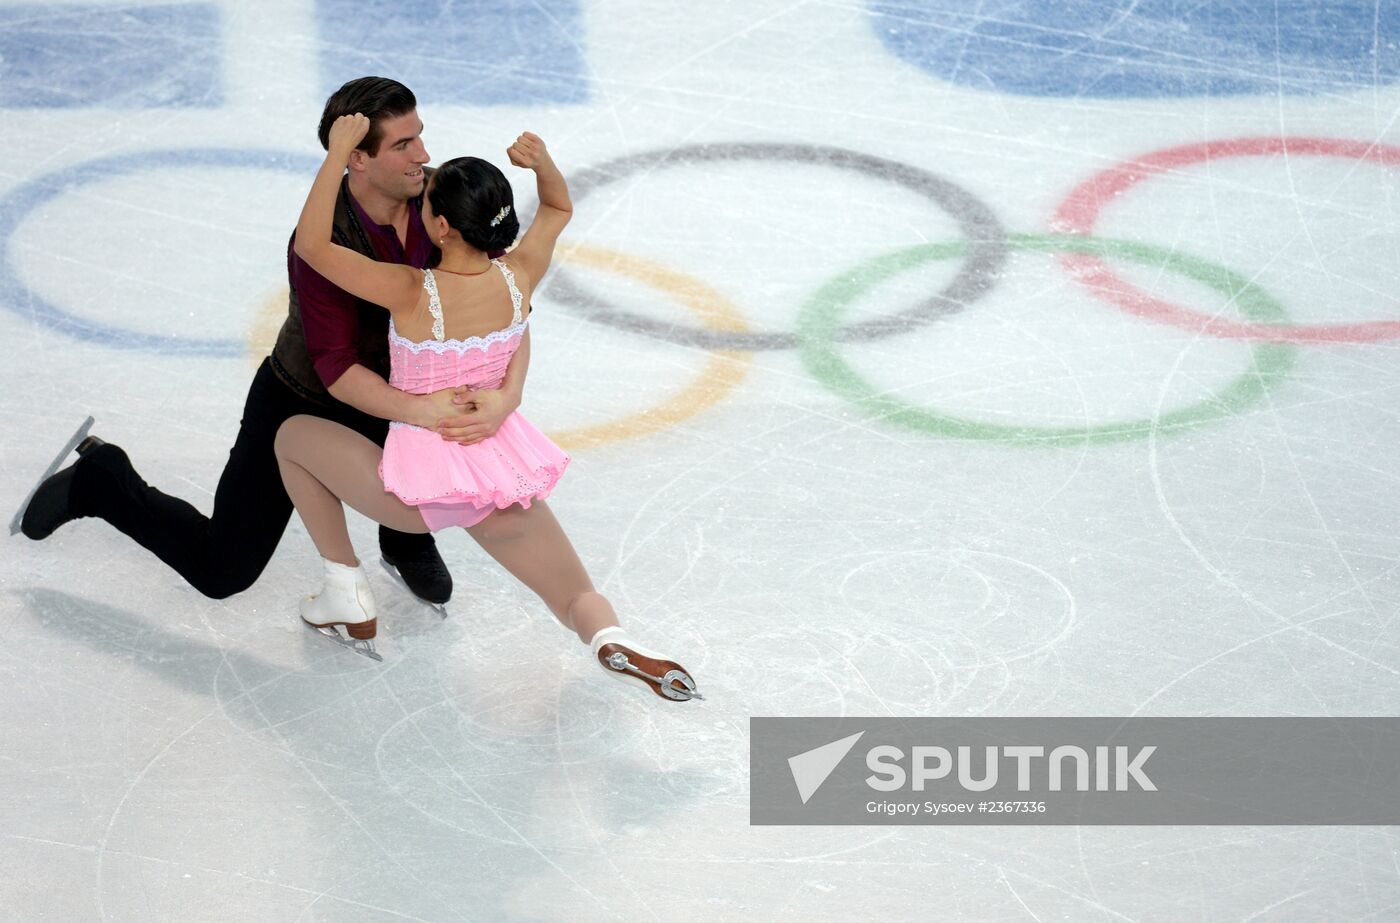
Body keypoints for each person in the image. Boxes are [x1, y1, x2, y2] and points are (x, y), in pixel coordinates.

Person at [19, 77, 508, 607]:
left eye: (420, 137)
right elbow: (337, 368)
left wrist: (504, 394)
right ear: (357, 160)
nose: (424, 154)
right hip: (307, 395)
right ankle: (100, 480)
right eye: (403, 145)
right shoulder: (321, 241)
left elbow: (503, 292)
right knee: (222, 569)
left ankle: (404, 536)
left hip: (400, 394)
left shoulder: (443, 197)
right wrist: (420, 413)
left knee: (438, 435)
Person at [272, 114, 700, 701]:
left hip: (420, 492)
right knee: (574, 595)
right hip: (500, 479)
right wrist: (543, 163)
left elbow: (313, 247)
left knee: (293, 437)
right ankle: (607, 636)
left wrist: (339, 153)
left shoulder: (409, 290)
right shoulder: (521, 275)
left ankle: (344, 586)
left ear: (442, 227)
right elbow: (557, 211)